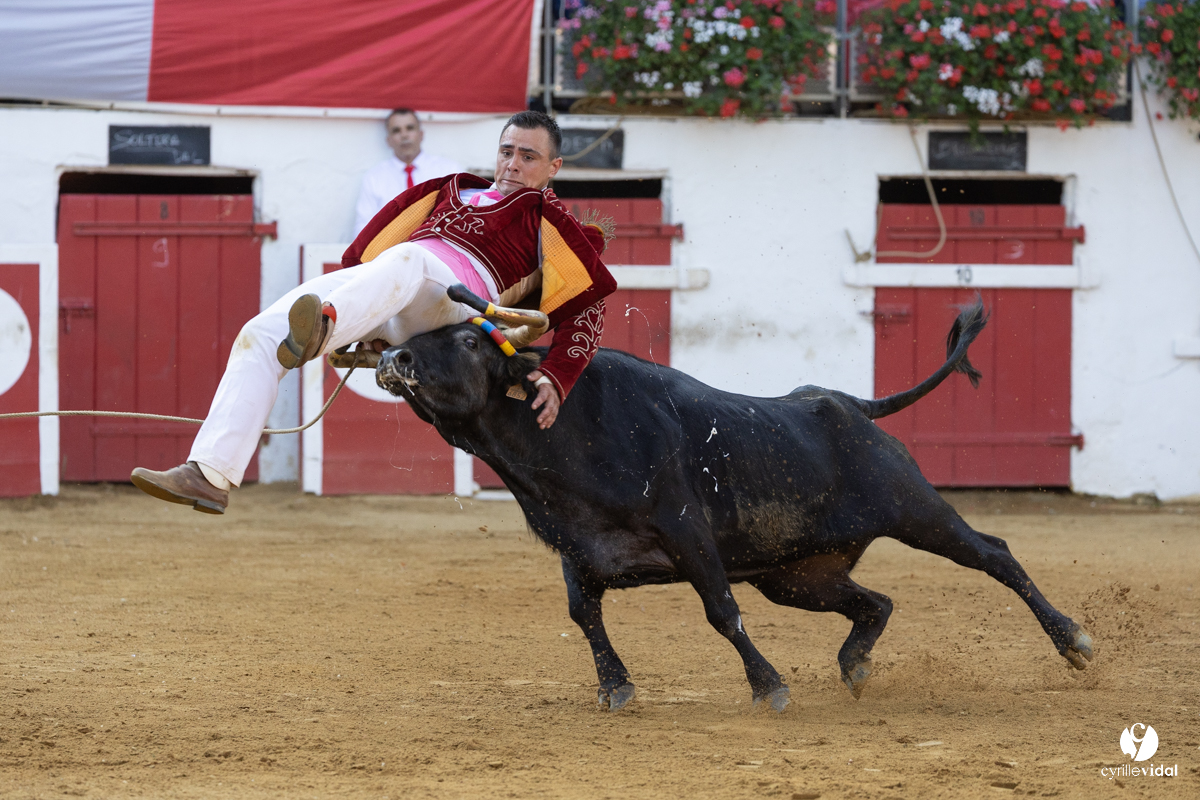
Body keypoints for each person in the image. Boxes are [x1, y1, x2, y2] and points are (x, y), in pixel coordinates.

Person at [130, 112, 617, 515]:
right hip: (389, 284)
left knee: (409, 258)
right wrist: (366, 308)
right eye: (507, 151)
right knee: (257, 333)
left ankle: (327, 326)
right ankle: (210, 473)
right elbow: (367, 253)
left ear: (553, 166)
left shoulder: (553, 221)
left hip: (455, 297)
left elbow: (584, 299)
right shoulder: (452, 187)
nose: (512, 164)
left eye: (528, 157)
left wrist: (558, 373)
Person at [354, 108, 463, 235]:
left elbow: (463, 215)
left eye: (410, 128)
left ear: (421, 134)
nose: (404, 135)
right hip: (392, 250)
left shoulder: (449, 170)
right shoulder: (374, 177)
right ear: (388, 140)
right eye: (396, 130)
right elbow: (362, 230)